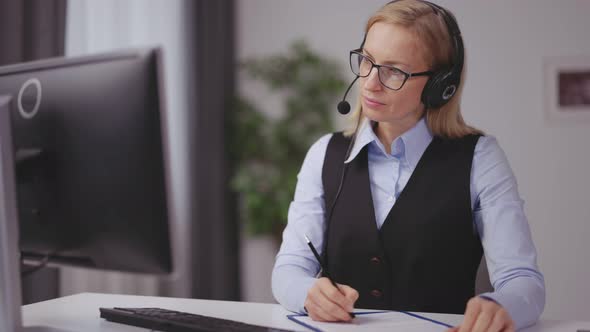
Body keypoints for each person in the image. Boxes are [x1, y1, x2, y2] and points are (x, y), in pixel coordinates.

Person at [271, 1, 546, 331]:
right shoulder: (324, 154)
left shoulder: (480, 158)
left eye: (393, 71)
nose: (371, 82)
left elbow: (524, 282)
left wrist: (501, 305)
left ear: (439, 86)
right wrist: (307, 293)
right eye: (367, 61)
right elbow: (288, 269)